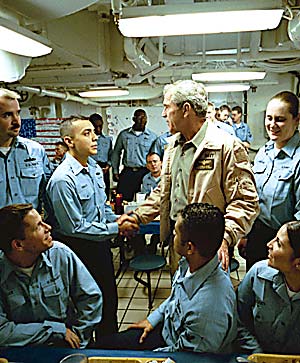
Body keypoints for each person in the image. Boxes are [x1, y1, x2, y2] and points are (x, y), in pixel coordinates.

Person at [121, 80, 259, 274]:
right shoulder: (172, 147)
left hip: (208, 249)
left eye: (167, 107)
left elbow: (245, 202)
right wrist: (137, 216)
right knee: (182, 298)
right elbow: (165, 192)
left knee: (206, 302)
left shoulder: (226, 146)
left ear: (186, 109)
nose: (163, 113)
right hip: (177, 244)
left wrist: (225, 237)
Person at [97, 203, 237, 353]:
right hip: (168, 330)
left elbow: (186, 357)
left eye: (176, 233)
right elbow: (175, 299)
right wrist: (153, 320)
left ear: (189, 247)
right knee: (102, 346)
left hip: (176, 349)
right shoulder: (194, 263)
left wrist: (148, 357)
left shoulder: (208, 311)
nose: (173, 235)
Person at [46, 116, 139, 339]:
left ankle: (110, 349)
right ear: (69, 141)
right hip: (77, 252)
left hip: (99, 247)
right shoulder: (62, 180)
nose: (95, 137)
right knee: (84, 309)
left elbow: (101, 208)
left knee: (108, 304)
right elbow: (74, 227)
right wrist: (116, 229)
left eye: (93, 132)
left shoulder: (94, 168)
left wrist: (119, 221)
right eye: (86, 133)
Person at [0, 203, 102, 348]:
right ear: (18, 244)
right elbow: (2, 332)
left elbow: (91, 297)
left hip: (67, 345)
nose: (48, 227)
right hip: (21, 351)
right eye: (39, 226)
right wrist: (54, 330)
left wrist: (79, 338)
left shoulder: (60, 254)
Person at [240, 91, 300, 270]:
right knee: (256, 285)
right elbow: (254, 199)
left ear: (297, 120)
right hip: (257, 234)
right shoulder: (264, 153)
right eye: (269, 118)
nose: (272, 125)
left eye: (280, 119)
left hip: (286, 243)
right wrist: (245, 234)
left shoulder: (297, 159)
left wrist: (280, 242)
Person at [237, 220, 300, 354]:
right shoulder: (258, 273)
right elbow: (239, 320)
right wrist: (257, 353)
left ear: (298, 264)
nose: (269, 244)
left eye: (279, 243)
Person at [0, 88, 51, 212]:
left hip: (31, 229)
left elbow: (48, 196)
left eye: (17, 113)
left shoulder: (35, 151)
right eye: (7, 115)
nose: (16, 121)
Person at [111, 109, 157, 201]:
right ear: (134, 119)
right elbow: (116, 153)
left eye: (145, 119)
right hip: (128, 172)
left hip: (144, 172)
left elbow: (155, 157)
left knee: (144, 200)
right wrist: (115, 171)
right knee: (122, 199)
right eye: (140, 118)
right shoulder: (124, 135)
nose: (143, 121)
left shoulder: (152, 137)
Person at [89, 113, 112, 198]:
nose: (98, 129)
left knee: (105, 191)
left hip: (104, 168)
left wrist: (108, 165)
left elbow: (111, 154)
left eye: (100, 126)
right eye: (95, 126)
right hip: (91, 168)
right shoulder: (87, 140)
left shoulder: (107, 139)